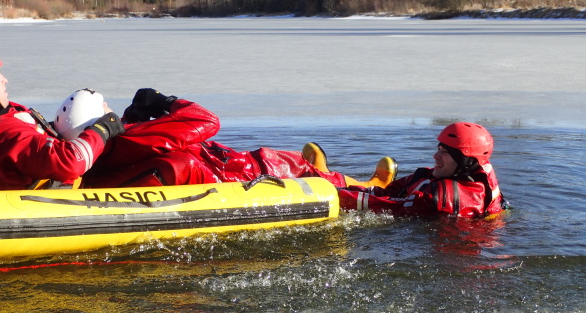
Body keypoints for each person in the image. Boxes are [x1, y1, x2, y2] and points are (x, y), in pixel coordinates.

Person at [60, 87, 398, 189]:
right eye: (106, 110)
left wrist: (135, 120)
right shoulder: (126, 141)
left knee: (290, 160)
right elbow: (206, 121)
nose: (113, 113)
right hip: (227, 173)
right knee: (283, 164)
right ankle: (369, 186)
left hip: (207, 165)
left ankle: (323, 171)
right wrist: (163, 102)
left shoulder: (100, 158)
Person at [0, 47, 124, 190]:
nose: (4, 80)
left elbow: (39, 140)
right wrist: (105, 127)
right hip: (53, 203)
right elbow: (72, 161)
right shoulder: (6, 136)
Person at [337, 122, 508, 218]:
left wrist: (339, 197)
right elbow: (389, 193)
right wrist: (345, 190)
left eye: (445, 153)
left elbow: (394, 208)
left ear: (466, 162)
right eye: (439, 149)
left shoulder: (444, 196)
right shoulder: (430, 178)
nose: (435, 156)